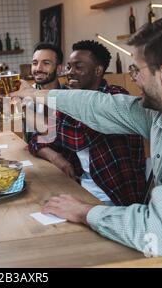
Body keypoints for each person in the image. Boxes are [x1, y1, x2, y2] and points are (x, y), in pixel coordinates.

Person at [11, 15, 162, 268]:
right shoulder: (159, 115)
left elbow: (158, 233)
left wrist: (83, 211)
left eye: (136, 69)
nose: (132, 77)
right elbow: (99, 106)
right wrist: (39, 95)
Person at [28, 40, 146, 206]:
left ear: (98, 70)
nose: (70, 72)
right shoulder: (71, 99)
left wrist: (23, 112)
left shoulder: (115, 97)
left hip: (117, 199)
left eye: (78, 67)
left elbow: (78, 137)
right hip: (80, 190)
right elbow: (35, 140)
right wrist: (56, 157)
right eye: (69, 67)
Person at [24, 42, 66, 144]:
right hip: (33, 156)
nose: (38, 68)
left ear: (59, 69)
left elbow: (54, 136)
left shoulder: (67, 97)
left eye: (46, 63)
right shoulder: (25, 96)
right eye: (35, 63)